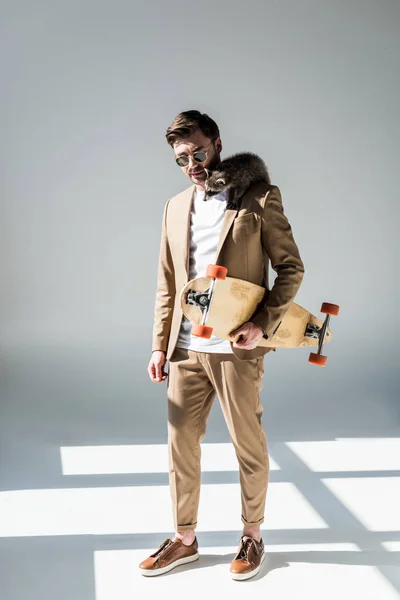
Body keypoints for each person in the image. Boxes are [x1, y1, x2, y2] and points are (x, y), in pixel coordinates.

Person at [139, 110, 305, 580]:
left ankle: (252, 537)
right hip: (186, 350)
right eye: (181, 158)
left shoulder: (258, 198)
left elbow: (291, 269)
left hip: (236, 348)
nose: (191, 163)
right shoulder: (174, 207)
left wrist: (261, 323)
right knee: (180, 445)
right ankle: (185, 539)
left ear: (216, 143)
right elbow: (167, 283)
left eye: (198, 152)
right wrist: (158, 345)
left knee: (247, 444)